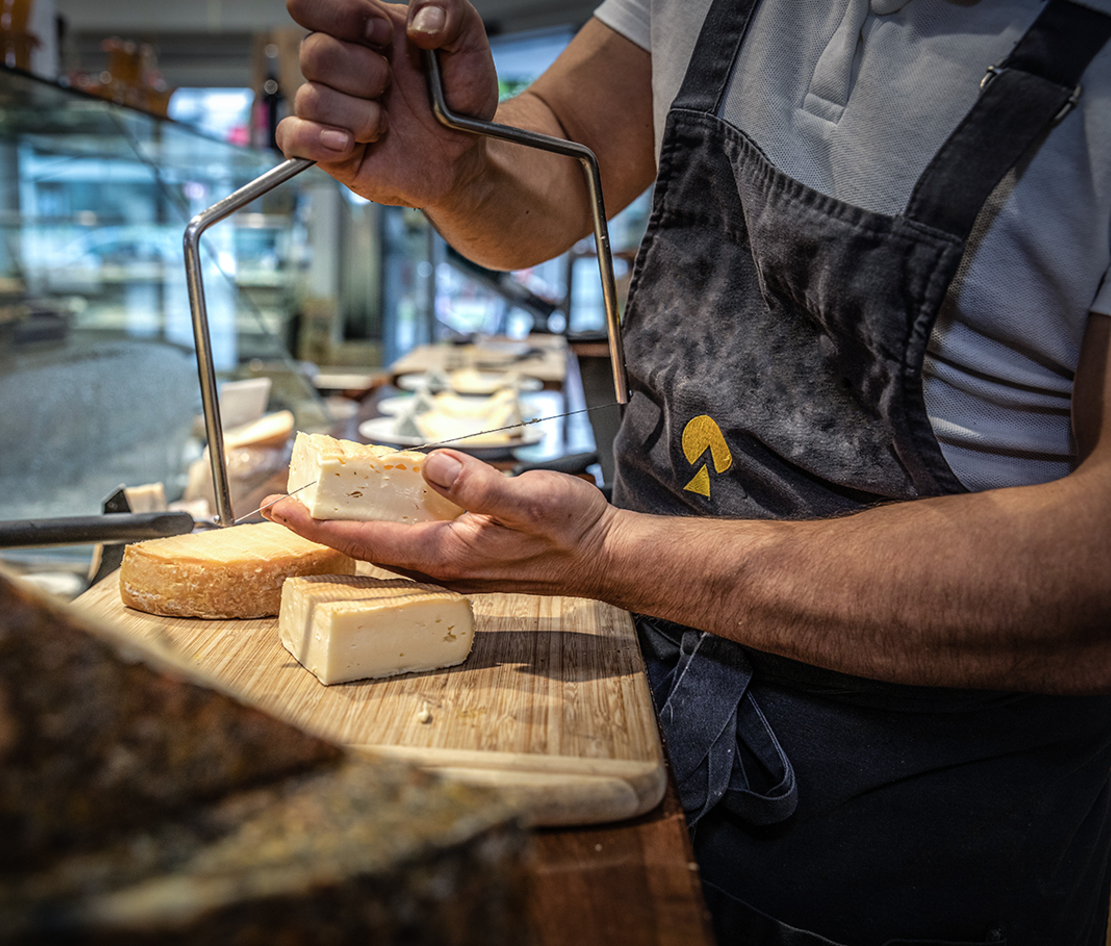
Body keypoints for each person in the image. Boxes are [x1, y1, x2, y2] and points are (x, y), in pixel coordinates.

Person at [266, 0, 1111, 942]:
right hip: (625, 687)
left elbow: (1093, 577)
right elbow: (562, 161)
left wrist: (618, 552)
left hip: (916, 823)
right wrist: (461, 165)